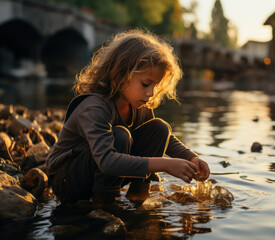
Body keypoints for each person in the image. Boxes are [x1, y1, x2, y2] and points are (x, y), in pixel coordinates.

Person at [46, 30, 210, 204]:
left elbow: (166, 140)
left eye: (155, 86)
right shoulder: (95, 107)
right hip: (66, 180)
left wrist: (192, 158)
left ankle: (138, 195)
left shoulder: (138, 105)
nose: (151, 93)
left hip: (97, 172)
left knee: (159, 128)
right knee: (120, 136)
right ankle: (105, 203)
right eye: (146, 84)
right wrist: (164, 164)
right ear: (121, 74)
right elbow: (107, 161)